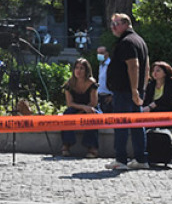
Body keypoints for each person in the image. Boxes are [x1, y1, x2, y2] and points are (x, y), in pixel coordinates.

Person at [105, 13, 149, 170]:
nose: (113, 27)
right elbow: (147, 66)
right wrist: (141, 89)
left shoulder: (127, 42)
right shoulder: (139, 41)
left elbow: (134, 65)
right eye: (112, 24)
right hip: (133, 91)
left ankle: (121, 160)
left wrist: (135, 90)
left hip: (125, 91)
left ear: (125, 24)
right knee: (137, 125)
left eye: (116, 24)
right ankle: (141, 158)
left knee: (121, 124)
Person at [60, 58, 100, 158]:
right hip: (76, 107)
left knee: (92, 116)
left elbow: (94, 102)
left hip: (90, 106)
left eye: (82, 68)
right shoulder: (69, 83)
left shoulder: (91, 83)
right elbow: (70, 103)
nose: (78, 71)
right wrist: (82, 108)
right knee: (67, 115)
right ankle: (66, 145)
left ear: (86, 70)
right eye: (77, 68)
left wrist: (85, 110)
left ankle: (91, 147)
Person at [95, 45, 113, 111]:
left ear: (107, 53)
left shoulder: (111, 65)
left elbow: (116, 81)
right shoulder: (100, 65)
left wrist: (112, 95)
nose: (99, 55)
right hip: (100, 95)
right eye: (98, 53)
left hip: (108, 96)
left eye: (101, 53)